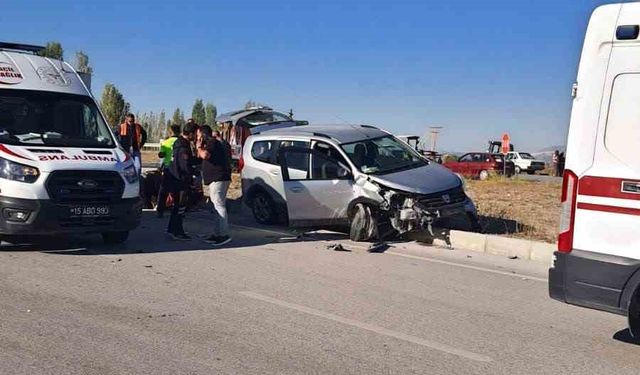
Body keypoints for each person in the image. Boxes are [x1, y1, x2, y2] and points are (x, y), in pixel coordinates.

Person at [198, 126, 233, 246]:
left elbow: (205, 155)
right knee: (215, 206)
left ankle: (223, 234)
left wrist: (198, 147)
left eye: (198, 135)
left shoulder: (212, 142)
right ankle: (217, 233)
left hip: (219, 179)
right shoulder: (211, 143)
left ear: (203, 135)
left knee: (219, 206)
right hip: (216, 179)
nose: (197, 137)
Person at [164, 123, 197, 240]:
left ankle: (172, 229)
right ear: (191, 133)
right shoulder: (183, 146)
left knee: (176, 206)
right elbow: (185, 165)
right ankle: (178, 231)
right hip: (181, 181)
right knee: (181, 207)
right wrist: (193, 173)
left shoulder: (178, 143)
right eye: (195, 134)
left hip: (174, 178)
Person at [156, 124, 181, 218]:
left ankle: (160, 210)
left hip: (168, 168)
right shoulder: (181, 141)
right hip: (178, 168)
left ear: (170, 132)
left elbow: (161, 155)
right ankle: (177, 210)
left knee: (163, 190)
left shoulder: (166, 142)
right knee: (177, 191)